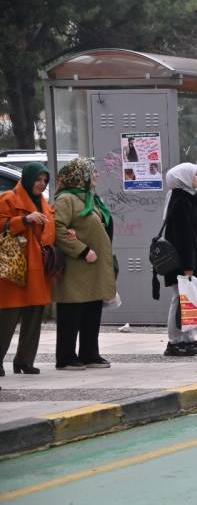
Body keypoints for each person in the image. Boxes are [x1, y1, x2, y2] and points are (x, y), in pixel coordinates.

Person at [53, 159, 116, 370]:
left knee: (92, 310)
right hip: (77, 267)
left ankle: (89, 353)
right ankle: (66, 357)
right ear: (79, 176)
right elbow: (58, 229)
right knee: (71, 312)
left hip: (93, 268)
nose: (96, 175)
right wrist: (82, 250)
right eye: (92, 172)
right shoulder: (66, 199)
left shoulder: (90, 199)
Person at [0, 163, 55, 376]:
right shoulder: (9, 198)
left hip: (37, 267)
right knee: (7, 317)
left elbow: (48, 230)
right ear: (28, 178)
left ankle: (24, 360)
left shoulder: (44, 203)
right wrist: (24, 219)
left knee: (34, 315)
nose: (41, 184)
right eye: (38, 179)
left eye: (44, 180)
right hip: (15, 268)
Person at [160, 163, 197, 357]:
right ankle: (175, 340)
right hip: (183, 262)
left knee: (190, 298)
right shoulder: (181, 201)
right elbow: (184, 238)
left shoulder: (187, 198)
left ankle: (189, 338)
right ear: (183, 177)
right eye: (195, 174)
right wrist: (188, 266)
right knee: (180, 299)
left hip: (190, 260)